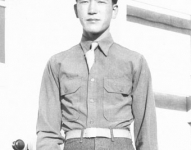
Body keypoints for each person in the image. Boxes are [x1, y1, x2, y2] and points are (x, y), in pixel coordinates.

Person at [36, 0, 158, 150]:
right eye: (84, 1)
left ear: (114, 10)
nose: (92, 9)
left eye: (101, 2)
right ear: (76, 10)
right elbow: (48, 134)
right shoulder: (57, 64)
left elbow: (147, 135)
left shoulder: (134, 62)